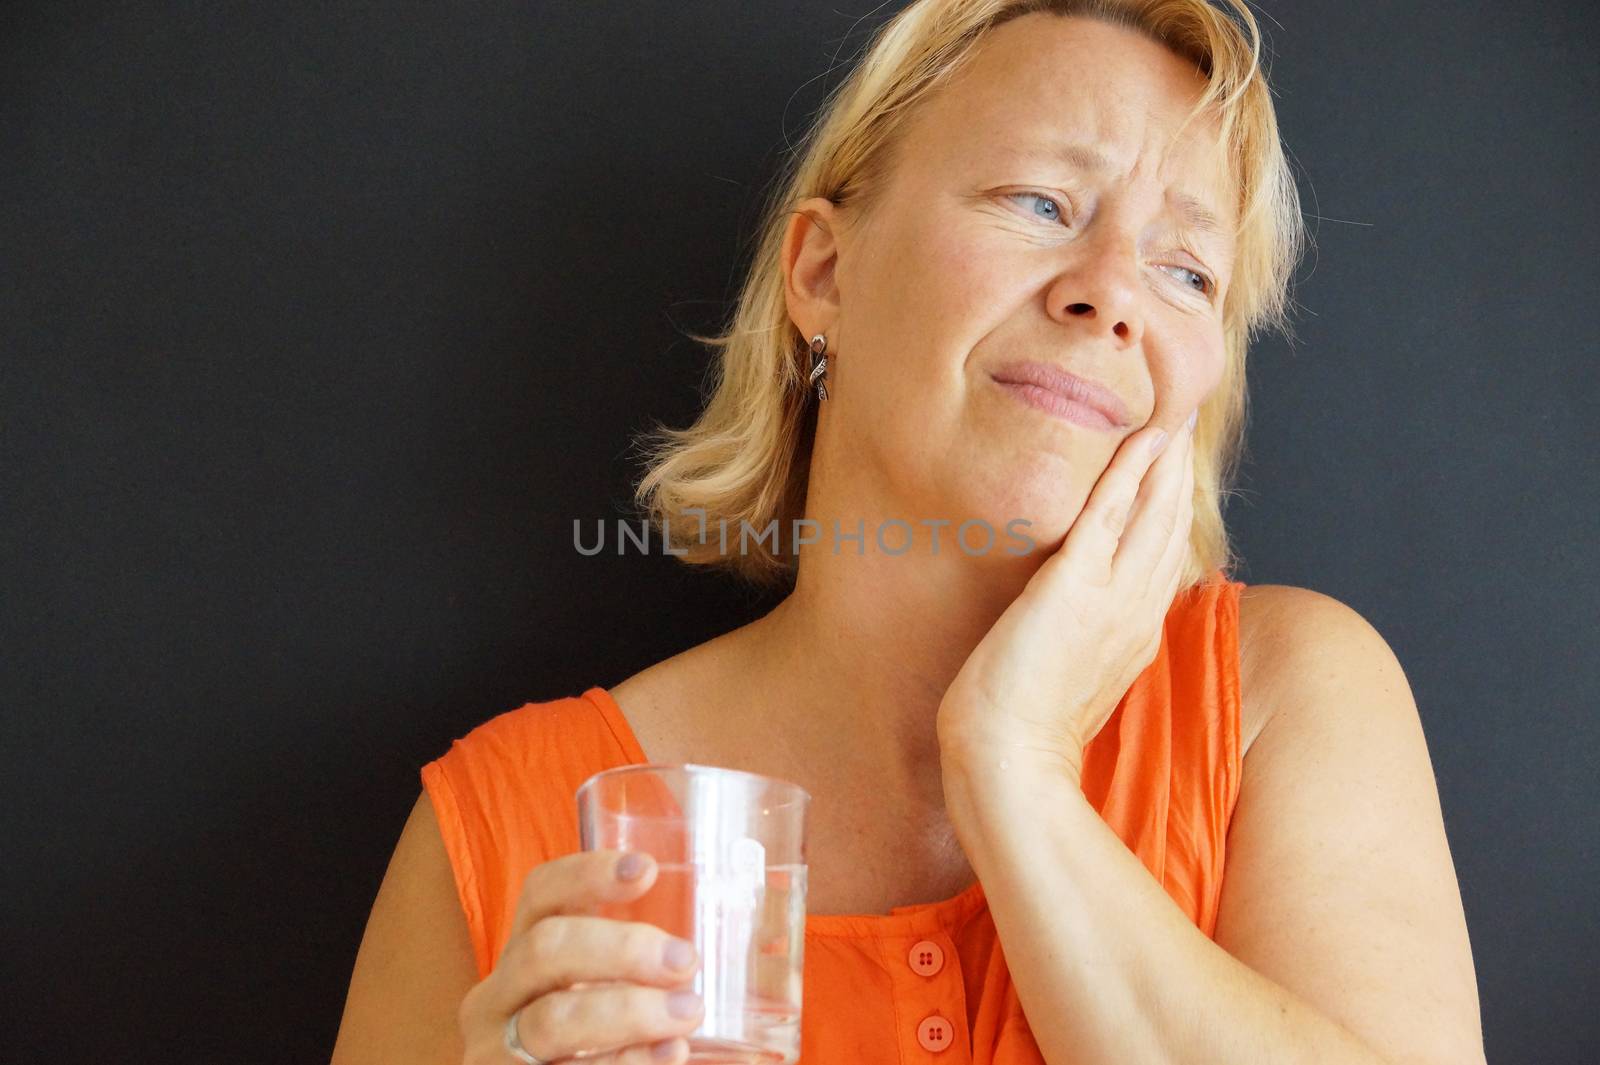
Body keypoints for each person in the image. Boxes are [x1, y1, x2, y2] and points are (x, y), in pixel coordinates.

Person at [333, 2, 1487, 1063]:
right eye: (1040, 203)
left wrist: (1011, 761)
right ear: (823, 274)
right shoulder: (498, 828)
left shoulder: (1283, 699)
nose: (1114, 293)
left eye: (1186, 271)